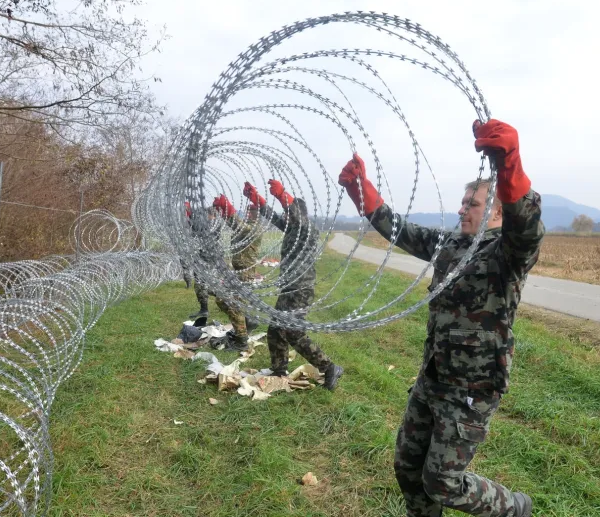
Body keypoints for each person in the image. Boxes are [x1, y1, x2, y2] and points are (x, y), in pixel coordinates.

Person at [337, 119, 543, 517]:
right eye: (463, 203)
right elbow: (401, 230)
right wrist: (363, 193)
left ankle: (513, 507)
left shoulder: (507, 253)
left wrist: (509, 167)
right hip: (433, 375)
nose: (464, 209)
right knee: (408, 467)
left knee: (443, 482)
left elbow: (528, 230)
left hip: (473, 385)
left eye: (474, 204)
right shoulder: (451, 244)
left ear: (497, 211)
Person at [243, 179, 345, 391]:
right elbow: (274, 217)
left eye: (290, 214)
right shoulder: (292, 229)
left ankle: (329, 367)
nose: (286, 218)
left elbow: (297, 219)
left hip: (301, 289)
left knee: (293, 331)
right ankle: (279, 371)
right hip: (289, 287)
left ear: (298, 214)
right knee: (275, 329)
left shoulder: (306, 230)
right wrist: (258, 200)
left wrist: (283, 196)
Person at [209, 194, 263, 349]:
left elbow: (241, 227)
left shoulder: (255, 228)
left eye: (251, 210)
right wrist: (224, 213)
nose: (248, 213)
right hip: (238, 271)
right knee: (222, 299)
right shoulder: (247, 225)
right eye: (247, 210)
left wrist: (228, 209)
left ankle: (241, 340)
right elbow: (236, 226)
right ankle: (248, 323)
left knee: (233, 304)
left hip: (245, 273)